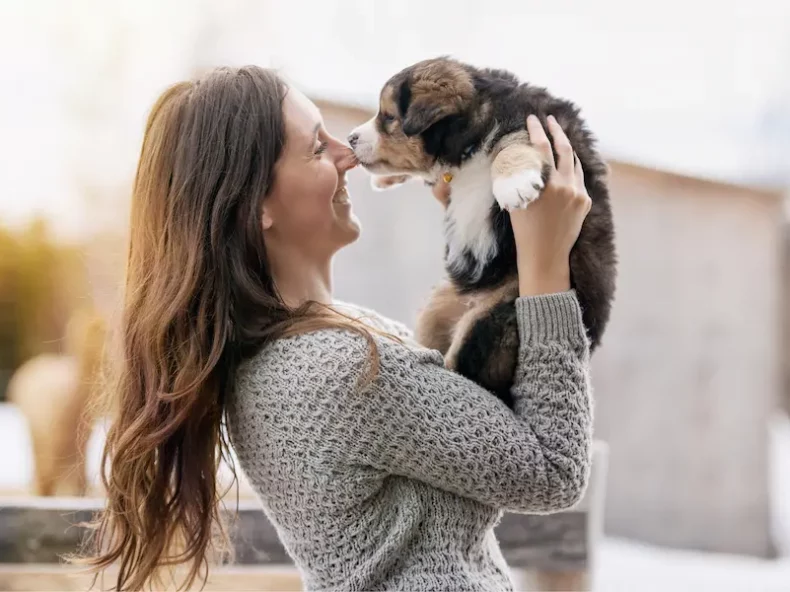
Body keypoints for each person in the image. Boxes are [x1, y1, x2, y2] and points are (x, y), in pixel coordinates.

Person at [82, 65, 593, 591]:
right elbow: (553, 468)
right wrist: (546, 269)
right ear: (256, 204)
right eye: (315, 148)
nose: (348, 153)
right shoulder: (344, 369)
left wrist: (475, 215)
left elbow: (474, 421)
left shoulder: (301, 351)